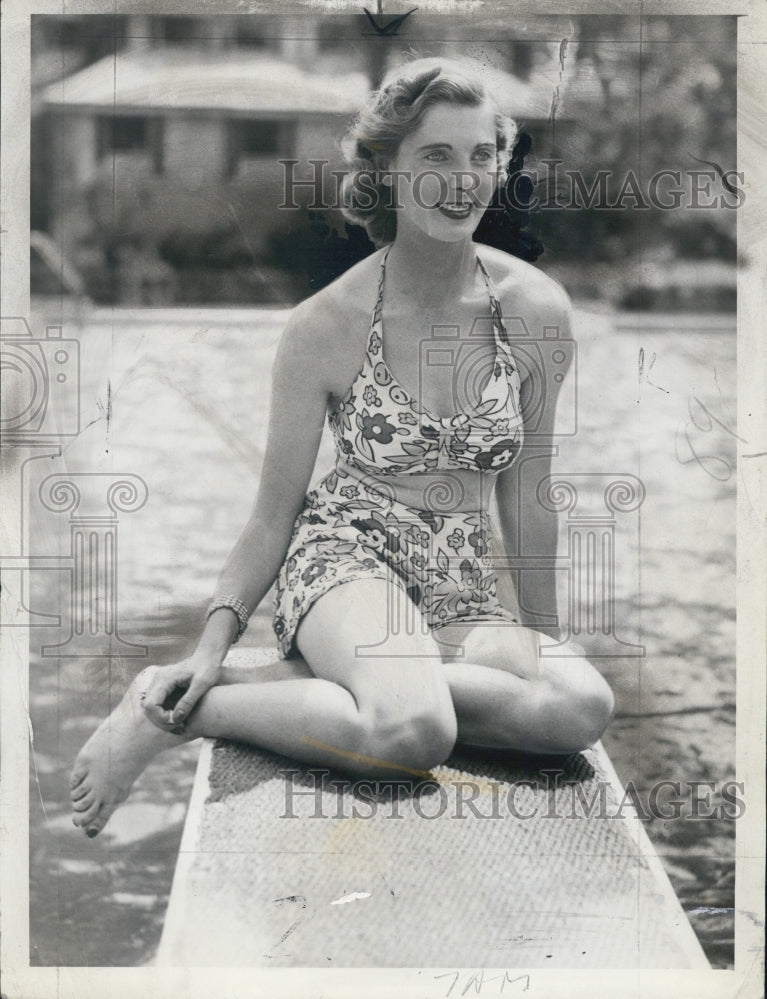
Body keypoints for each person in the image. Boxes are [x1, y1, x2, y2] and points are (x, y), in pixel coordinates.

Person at [70, 56, 614, 839]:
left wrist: (541, 636)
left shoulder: (535, 309)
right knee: (414, 734)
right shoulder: (325, 323)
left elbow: (528, 493)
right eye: (435, 156)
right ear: (388, 168)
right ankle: (173, 704)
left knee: (578, 705)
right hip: (347, 563)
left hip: (457, 588)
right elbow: (270, 516)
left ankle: (371, 679)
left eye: (480, 155)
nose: (462, 179)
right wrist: (209, 644)